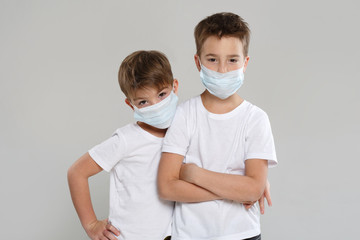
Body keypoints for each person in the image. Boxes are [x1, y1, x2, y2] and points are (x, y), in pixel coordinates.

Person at [157, 12, 278, 240]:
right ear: (198, 62)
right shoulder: (184, 114)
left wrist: (192, 173)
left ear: (245, 63)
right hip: (189, 235)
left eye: (232, 60)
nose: (222, 69)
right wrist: (234, 190)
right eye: (212, 59)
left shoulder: (256, 119)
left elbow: (253, 190)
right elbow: (167, 187)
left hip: (243, 234)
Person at [68, 50, 179, 240]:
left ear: (174, 87)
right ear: (131, 104)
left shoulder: (183, 132)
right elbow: (76, 172)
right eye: (143, 102)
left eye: (162, 95)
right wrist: (91, 224)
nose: (156, 106)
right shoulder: (126, 139)